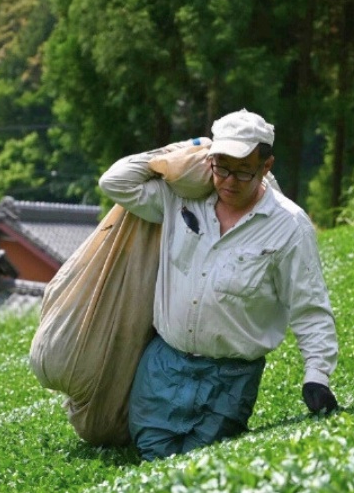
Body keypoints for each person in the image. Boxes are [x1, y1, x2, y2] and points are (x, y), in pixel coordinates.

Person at [98, 109, 339, 461]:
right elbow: (115, 182)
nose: (229, 181)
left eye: (244, 171)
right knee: (151, 462)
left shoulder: (289, 226)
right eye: (221, 167)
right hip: (164, 367)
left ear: (266, 167)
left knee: (203, 469)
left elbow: (309, 307)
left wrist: (316, 375)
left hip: (231, 379)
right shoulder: (180, 197)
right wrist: (184, 151)